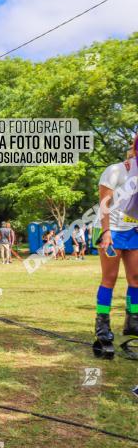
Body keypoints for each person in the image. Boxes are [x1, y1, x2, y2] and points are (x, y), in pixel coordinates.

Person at [94, 136, 138, 358]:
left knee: (136, 278)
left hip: (134, 231)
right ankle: (102, 327)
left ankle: (133, 324)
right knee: (109, 279)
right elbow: (104, 205)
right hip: (111, 229)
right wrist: (106, 232)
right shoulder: (115, 171)